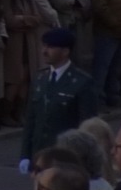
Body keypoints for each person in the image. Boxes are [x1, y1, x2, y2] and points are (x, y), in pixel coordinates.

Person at [19, 29, 97, 171]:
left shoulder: (82, 82)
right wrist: (25, 154)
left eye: (50, 47)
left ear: (65, 51)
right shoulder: (40, 79)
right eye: (44, 46)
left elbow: (87, 126)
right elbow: (31, 120)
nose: (44, 51)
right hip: (39, 155)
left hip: (65, 157)